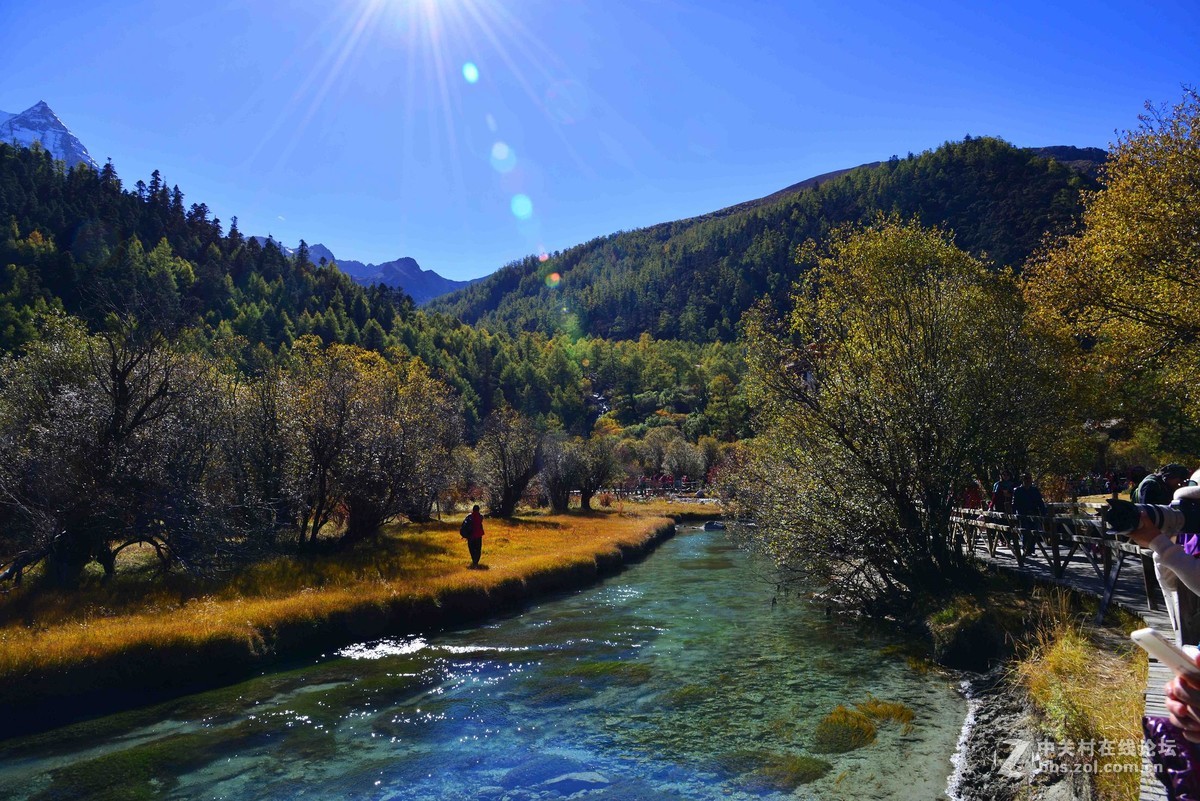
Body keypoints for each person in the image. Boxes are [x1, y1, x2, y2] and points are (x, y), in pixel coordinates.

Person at [1012, 472, 1048, 555]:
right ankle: (1025, 549)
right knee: (1025, 532)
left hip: (1034, 513)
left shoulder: (1035, 490)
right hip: (1022, 514)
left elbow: (1040, 502)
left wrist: (1044, 513)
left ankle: (1031, 550)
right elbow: (1014, 504)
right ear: (1022, 480)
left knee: (1034, 532)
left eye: (1029, 478)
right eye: (1025, 478)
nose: (1028, 480)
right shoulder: (1018, 490)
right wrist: (1014, 516)